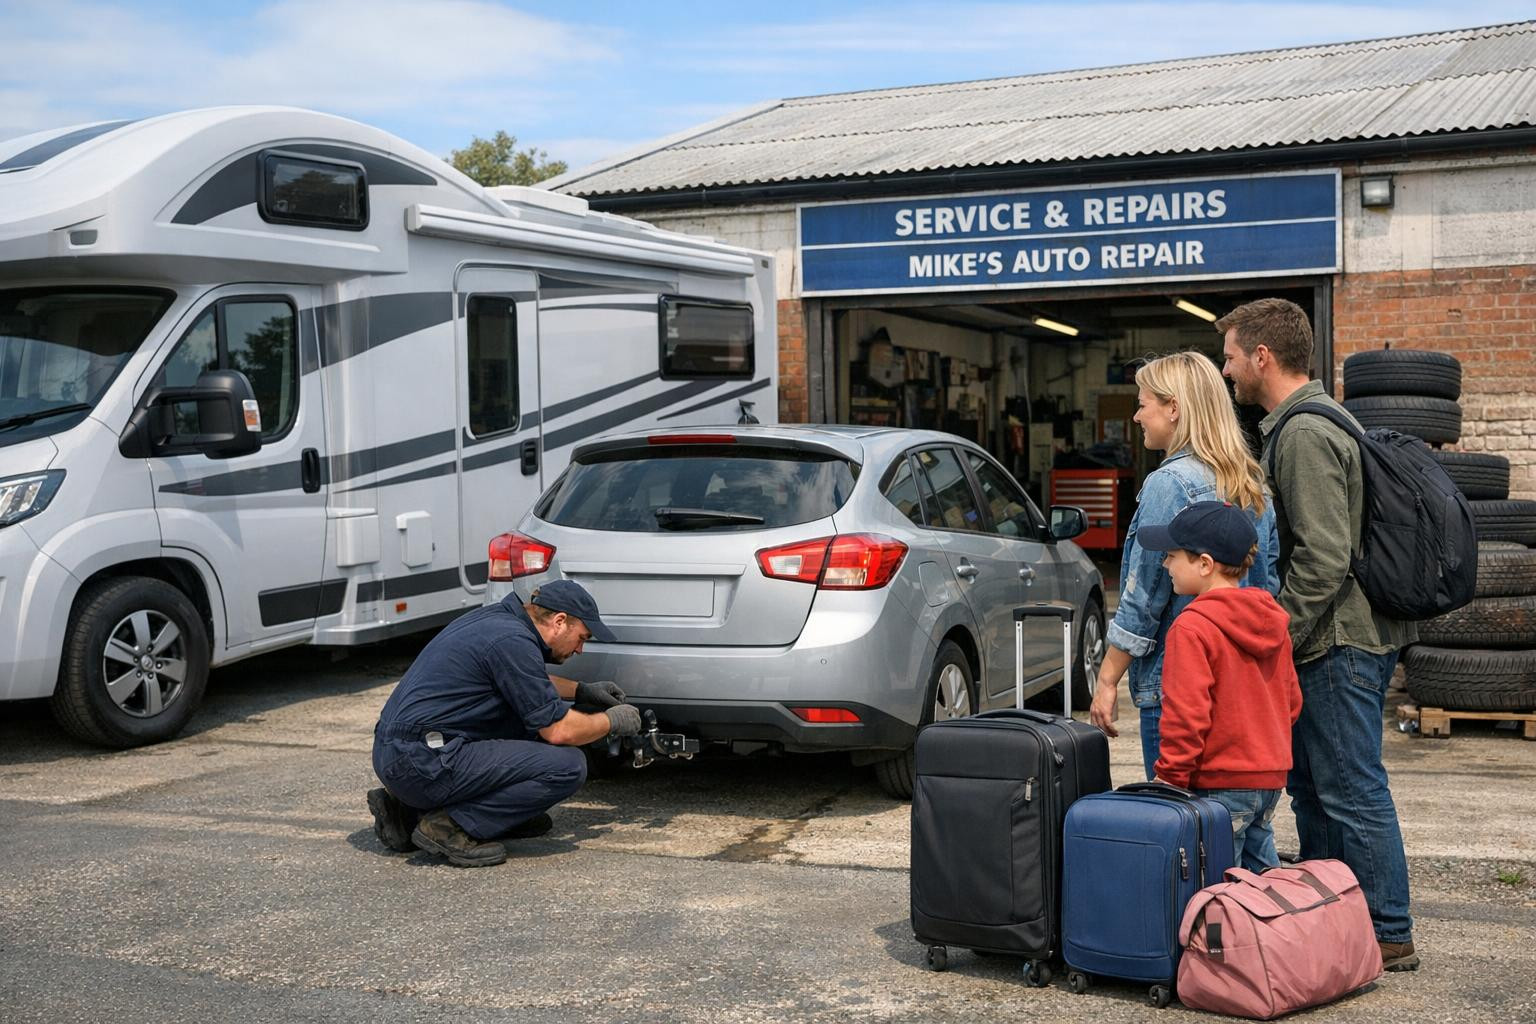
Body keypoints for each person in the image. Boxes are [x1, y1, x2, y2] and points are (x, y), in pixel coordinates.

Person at [1218, 297, 1420, 972]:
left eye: (1231, 356)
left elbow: (1324, 557)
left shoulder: (1304, 433)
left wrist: (1274, 631)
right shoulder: (1312, 422)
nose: (1228, 371)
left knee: (1351, 788)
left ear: (1262, 357)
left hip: (1336, 642)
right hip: (1331, 640)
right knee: (1317, 788)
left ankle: (1388, 928)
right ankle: (1340, 915)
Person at [1089, 350, 1279, 781]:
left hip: (1176, 689)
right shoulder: (1251, 482)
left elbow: (1143, 599)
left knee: (1181, 832)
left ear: (1173, 408)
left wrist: (1106, 680)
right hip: (1245, 695)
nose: (1136, 417)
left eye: (1142, 404)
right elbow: (1267, 588)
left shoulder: (1168, 484)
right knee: (1237, 833)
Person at [366, 579, 643, 868]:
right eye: (582, 638)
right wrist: (610, 721)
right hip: (420, 762)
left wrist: (582, 690)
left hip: (403, 751)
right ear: (559, 621)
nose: (580, 650)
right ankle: (448, 826)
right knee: (566, 766)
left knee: (525, 728)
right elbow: (560, 730)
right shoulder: (512, 640)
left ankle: (406, 814)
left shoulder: (500, 621)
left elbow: (521, 679)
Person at [1137, 500, 1302, 872]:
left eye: (1172, 556)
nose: (1165, 565)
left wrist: (1170, 777)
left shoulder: (1192, 627)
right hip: (1268, 779)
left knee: (1217, 887)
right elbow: (1291, 703)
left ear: (1205, 564)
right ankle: (1281, 931)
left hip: (1218, 782)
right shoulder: (1273, 622)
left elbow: (1186, 714)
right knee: (1262, 880)